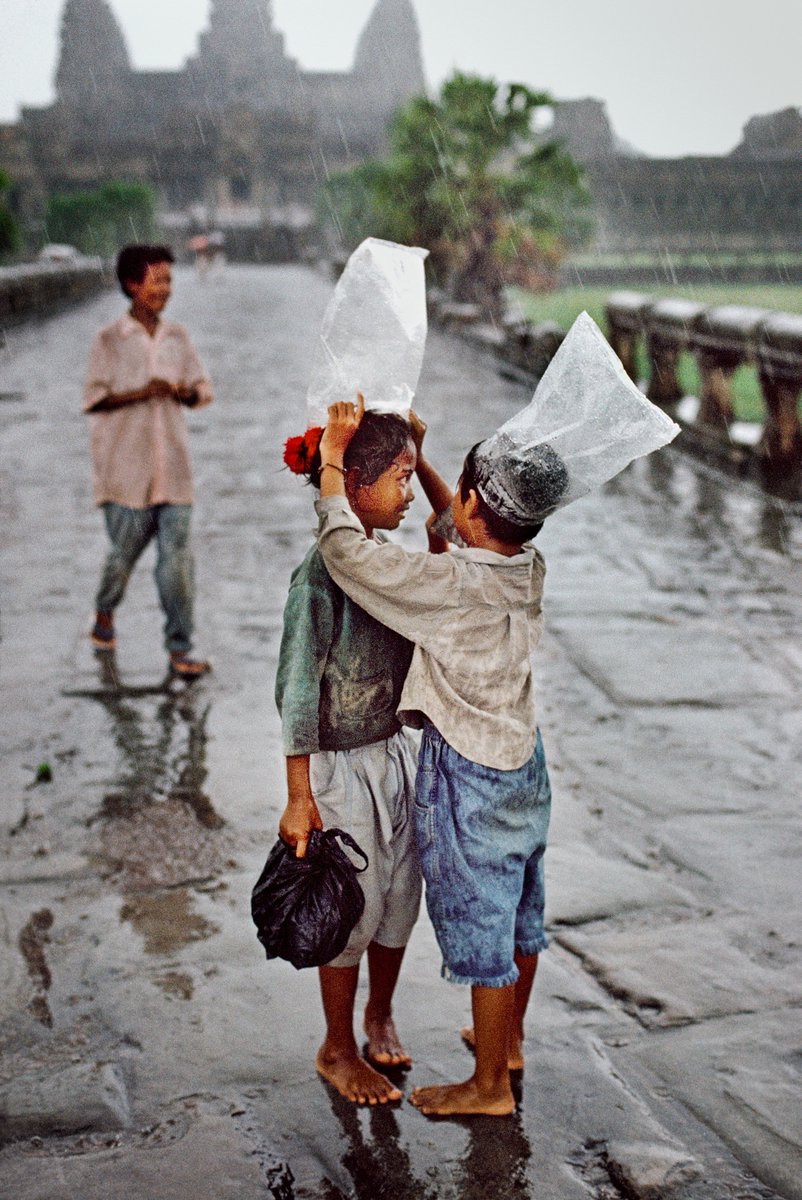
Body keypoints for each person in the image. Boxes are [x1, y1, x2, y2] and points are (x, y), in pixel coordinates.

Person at [314, 396, 567, 1118]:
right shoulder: (526, 566)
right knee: (521, 911)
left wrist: (334, 459)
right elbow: (459, 523)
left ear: (472, 504)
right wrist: (424, 459)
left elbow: (346, 553)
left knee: (484, 929)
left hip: (472, 776)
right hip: (524, 762)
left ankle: (488, 1088)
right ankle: (508, 1042)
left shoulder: (452, 585)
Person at [275, 411, 428, 1106]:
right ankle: (336, 1045)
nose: (411, 494)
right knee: (350, 907)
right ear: (354, 483)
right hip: (340, 767)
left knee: (399, 899)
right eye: (400, 479)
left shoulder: (385, 562)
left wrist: (418, 448)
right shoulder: (319, 574)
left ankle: (379, 1011)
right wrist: (299, 794)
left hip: (395, 752)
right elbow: (298, 690)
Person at [83, 244, 212, 677]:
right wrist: (144, 390)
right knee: (122, 557)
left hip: (174, 473)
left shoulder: (177, 337)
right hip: (125, 473)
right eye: (157, 280)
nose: (165, 289)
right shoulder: (108, 340)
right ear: (131, 284)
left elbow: (200, 392)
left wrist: (176, 391)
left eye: (168, 281)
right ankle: (104, 613)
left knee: (176, 564)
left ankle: (180, 649)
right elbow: (95, 398)